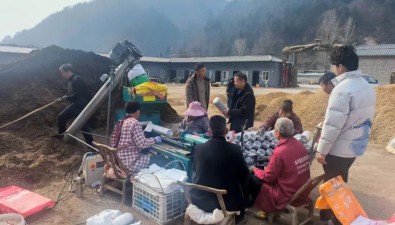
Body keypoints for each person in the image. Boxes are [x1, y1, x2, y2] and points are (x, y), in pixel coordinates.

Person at [316, 45, 376, 225]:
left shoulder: (342, 89)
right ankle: (330, 217)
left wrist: (322, 150)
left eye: (335, 66)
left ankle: (335, 219)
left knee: (332, 188)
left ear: (340, 67)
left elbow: (333, 125)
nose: (334, 70)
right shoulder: (366, 86)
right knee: (340, 182)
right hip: (354, 147)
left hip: (338, 149)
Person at [191, 115, 249, 224]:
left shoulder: (199, 149)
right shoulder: (235, 150)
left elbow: (195, 170)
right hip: (224, 204)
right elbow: (244, 177)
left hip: (199, 200)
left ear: (209, 131)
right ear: (226, 131)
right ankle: (241, 216)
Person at [248, 118, 310, 219]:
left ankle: (264, 210)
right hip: (301, 189)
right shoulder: (299, 145)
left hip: (286, 193)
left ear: (277, 132)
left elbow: (268, 177)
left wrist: (254, 169)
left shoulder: (279, 152)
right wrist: (270, 158)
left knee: (253, 179)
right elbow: (289, 160)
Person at [110, 101, 162, 175]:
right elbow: (142, 144)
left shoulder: (120, 122)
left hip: (119, 161)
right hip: (131, 163)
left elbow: (112, 140)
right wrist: (155, 139)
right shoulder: (134, 123)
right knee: (159, 160)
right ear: (137, 111)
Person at [53, 63, 94, 147]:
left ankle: (62, 136)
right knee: (83, 125)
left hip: (80, 105)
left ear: (68, 71)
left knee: (62, 117)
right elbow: (71, 94)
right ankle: (91, 145)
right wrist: (62, 98)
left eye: (63, 72)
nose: (62, 75)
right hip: (79, 104)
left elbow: (77, 94)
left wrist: (64, 99)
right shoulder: (72, 80)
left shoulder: (76, 79)